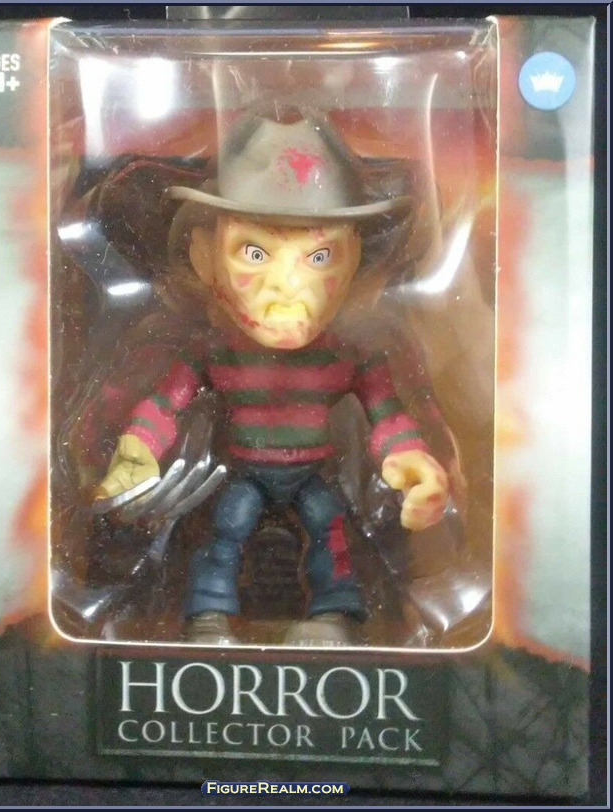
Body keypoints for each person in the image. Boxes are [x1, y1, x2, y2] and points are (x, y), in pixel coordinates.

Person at [95, 113, 449, 646]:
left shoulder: (348, 356)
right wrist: (136, 449)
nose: (288, 285)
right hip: (246, 471)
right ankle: (207, 616)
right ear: (204, 258)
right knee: (225, 530)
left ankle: (335, 615)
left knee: (331, 531)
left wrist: (412, 461)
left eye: (319, 257)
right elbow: (166, 402)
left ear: (353, 261)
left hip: (311, 472)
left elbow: (388, 413)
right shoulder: (215, 352)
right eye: (255, 253)